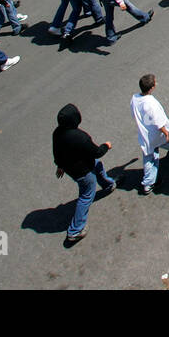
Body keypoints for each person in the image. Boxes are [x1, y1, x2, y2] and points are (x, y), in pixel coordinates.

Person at [52, 103, 116, 242]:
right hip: (83, 171)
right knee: (86, 196)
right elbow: (97, 152)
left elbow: (57, 153)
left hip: (71, 167)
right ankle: (75, 230)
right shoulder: (80, 137)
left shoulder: (57, 133)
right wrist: (106, 145)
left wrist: (60, 165)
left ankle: (109, 184)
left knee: (98, 167)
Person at [130, 74, 169, 195]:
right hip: (157, 134)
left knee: (149, 157)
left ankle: (148, 184)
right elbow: (158, 122)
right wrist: (166, 133)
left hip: (145, 135)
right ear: (151, 88)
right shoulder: (150, 103)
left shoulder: (135, 98)